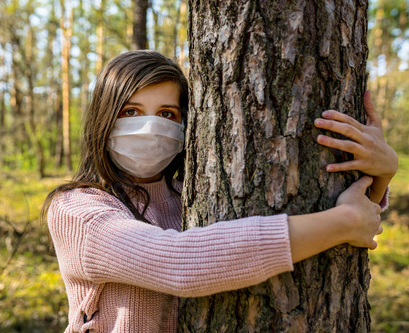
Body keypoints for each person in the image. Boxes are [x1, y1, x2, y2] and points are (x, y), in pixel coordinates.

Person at [42, 50, 397, 333]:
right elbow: (178, 262)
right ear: (103, 119)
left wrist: (381, 173)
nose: (150, 126)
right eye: (131, 111)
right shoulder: (78, 211)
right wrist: (342, 221)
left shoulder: (191, 194)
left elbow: (361, 223)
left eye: (167, 113)